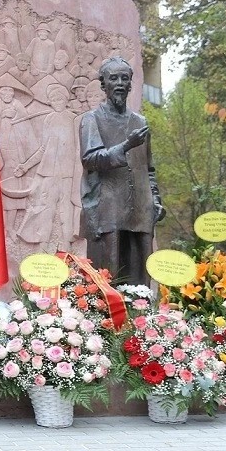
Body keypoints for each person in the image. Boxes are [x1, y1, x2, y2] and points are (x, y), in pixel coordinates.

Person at [79, 58, 164, 285]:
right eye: (113, 78)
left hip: (140, 208)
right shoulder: (91, 119)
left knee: (140, 281)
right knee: (108, 277)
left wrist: (155, 200)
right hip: (107, 207)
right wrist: (126, 145)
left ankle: (140, 319)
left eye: (124, 78)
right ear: (103, 84)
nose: (119, 83)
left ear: (130, 85)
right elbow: (90, 159)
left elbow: (149, 168)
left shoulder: (140, 121)